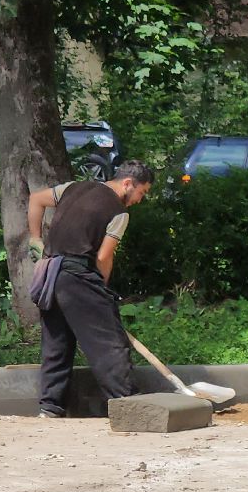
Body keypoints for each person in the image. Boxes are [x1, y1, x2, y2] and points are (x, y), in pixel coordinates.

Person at [26, 161, 153, 418]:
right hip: (78, 275)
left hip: (49, 273)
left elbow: (36, 199)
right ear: (128, 183)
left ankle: (50, 408)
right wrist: (101, 290)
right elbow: (104, 257)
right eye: (142, 192)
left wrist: (35, 238)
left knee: (56, 344)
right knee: (108, 342)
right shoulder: (118, 212)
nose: (141, 199)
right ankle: (126, 404)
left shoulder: (73, 188)